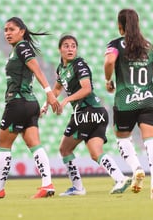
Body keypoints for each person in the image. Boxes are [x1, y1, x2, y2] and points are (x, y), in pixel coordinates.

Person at [0, 17, 60, 199]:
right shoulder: (18, 50)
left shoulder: (22, 47)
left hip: (18, 102)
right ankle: (47, 184)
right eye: (5, 30)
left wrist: (49, 91)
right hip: (30, 103)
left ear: (22, 31)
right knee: (34, 144)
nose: (7, 33)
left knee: (4, 144)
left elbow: (36, 68)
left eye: (11, 29)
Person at [41, 34, 132, 196]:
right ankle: (120, 178)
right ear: (59, 49)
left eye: (73, 46)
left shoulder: (79, 64)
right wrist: (47, 103)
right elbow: (56, 90)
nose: (70, 49)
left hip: (87, 111)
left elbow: (86, 88)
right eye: (66, 46)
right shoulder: (61, 69)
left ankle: (78, 188)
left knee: (65, 149)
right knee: (95, 152)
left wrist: (66, 100)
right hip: (99, 112)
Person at [104, 9, 153, 200]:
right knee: (152, 141)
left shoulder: (116, 44)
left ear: (120, 26)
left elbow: (109, 62)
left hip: (126, 101)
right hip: (149, 100)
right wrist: (149, 73)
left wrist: (109, 80)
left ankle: (137, 168)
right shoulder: (147, 45)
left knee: (122, 138)